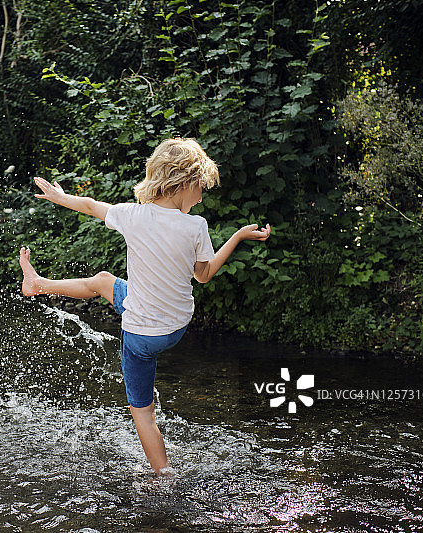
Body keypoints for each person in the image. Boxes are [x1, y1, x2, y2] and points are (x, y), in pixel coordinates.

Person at [19, 137, 271, 473]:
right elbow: (205, 275)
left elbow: (92, 206)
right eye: (200, 188)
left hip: (141, 336)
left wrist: (61, 198)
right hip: (176, 327)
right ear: (183, 182)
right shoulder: (196, 227)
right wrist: (237, 236)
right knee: (103, 281)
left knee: (143, 413)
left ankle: (162, 475)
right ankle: (40, 284)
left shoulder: (132, 216)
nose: (200, 197)